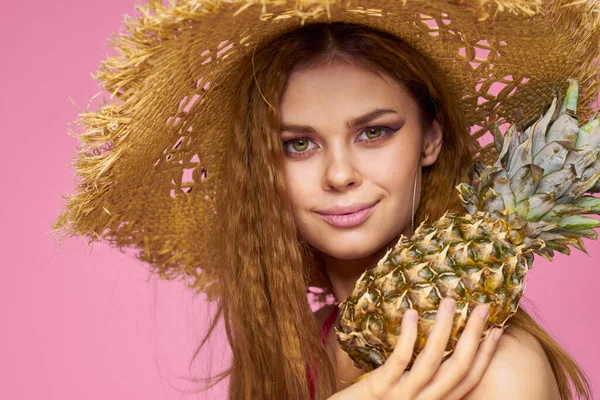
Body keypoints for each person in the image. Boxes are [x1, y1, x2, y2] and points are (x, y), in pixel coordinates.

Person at [53, 1, 598, 399]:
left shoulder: (498, 373)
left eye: (374, 132)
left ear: (429, 139)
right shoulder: (294, 348)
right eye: (298, 144)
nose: (339, 174)